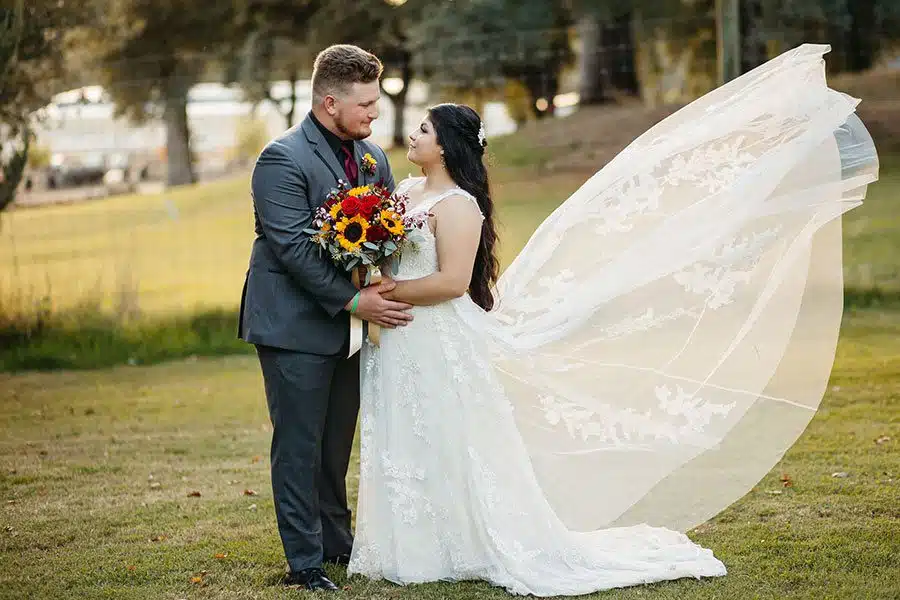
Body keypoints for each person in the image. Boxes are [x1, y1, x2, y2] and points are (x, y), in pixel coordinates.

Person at [347, 44, 880, 595]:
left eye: (426, 131)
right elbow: (388, 250)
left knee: (445, 437)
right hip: (402, 337)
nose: (413, 136)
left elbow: (454, 282)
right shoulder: (405, 193)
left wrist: (390, 292)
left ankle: (459, 543)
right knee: (405, 437)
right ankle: (409, 546)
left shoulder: (459, 206)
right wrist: (369, 274)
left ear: (448, 146)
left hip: (436, 336)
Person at [238, 44, 413, 592]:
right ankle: (305, 564)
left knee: (337, 442)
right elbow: (291, 247)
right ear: (329, 101)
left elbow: (384, 229)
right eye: (364, 104)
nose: (374, 114)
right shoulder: (281, 158)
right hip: (293, 325)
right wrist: (355, 300)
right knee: (299, 444)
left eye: (376, 102)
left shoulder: (372, 158)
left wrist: (381, 274)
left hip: (350, 330)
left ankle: (338, 547)